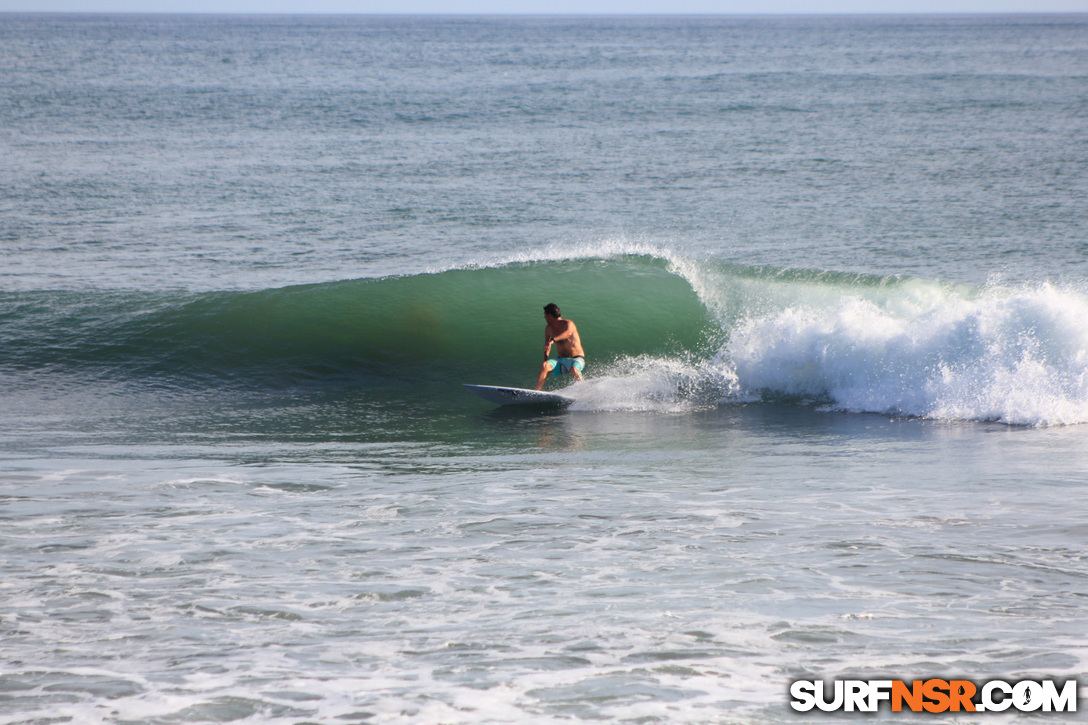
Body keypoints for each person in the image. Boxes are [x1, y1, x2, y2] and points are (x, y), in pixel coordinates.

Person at [535, 302, 585, 390]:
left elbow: (568, 333)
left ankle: (583, 391)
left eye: (545, 315)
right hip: (561, 361)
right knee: (545, 365)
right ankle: (536, 392)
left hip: (577, 359)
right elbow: (547, 346)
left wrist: (553, 340)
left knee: (574, 369)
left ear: (549, 315)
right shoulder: (548, 329)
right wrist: (545, 362)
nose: (544, 317)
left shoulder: (568, 323)